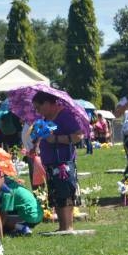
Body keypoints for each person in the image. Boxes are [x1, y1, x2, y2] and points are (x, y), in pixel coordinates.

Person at [33, 91, 84, 232]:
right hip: (50, 162)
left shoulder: (65, 116)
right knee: (56, 193)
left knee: (66, 192)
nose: (37, 111)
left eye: (38, 107)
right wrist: (36, 142)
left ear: (48, 104)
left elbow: (78, 136)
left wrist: (55, 139)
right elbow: (39, 138)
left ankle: (67, 226)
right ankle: (62, 226)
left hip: (63, 162)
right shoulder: (44, 120)